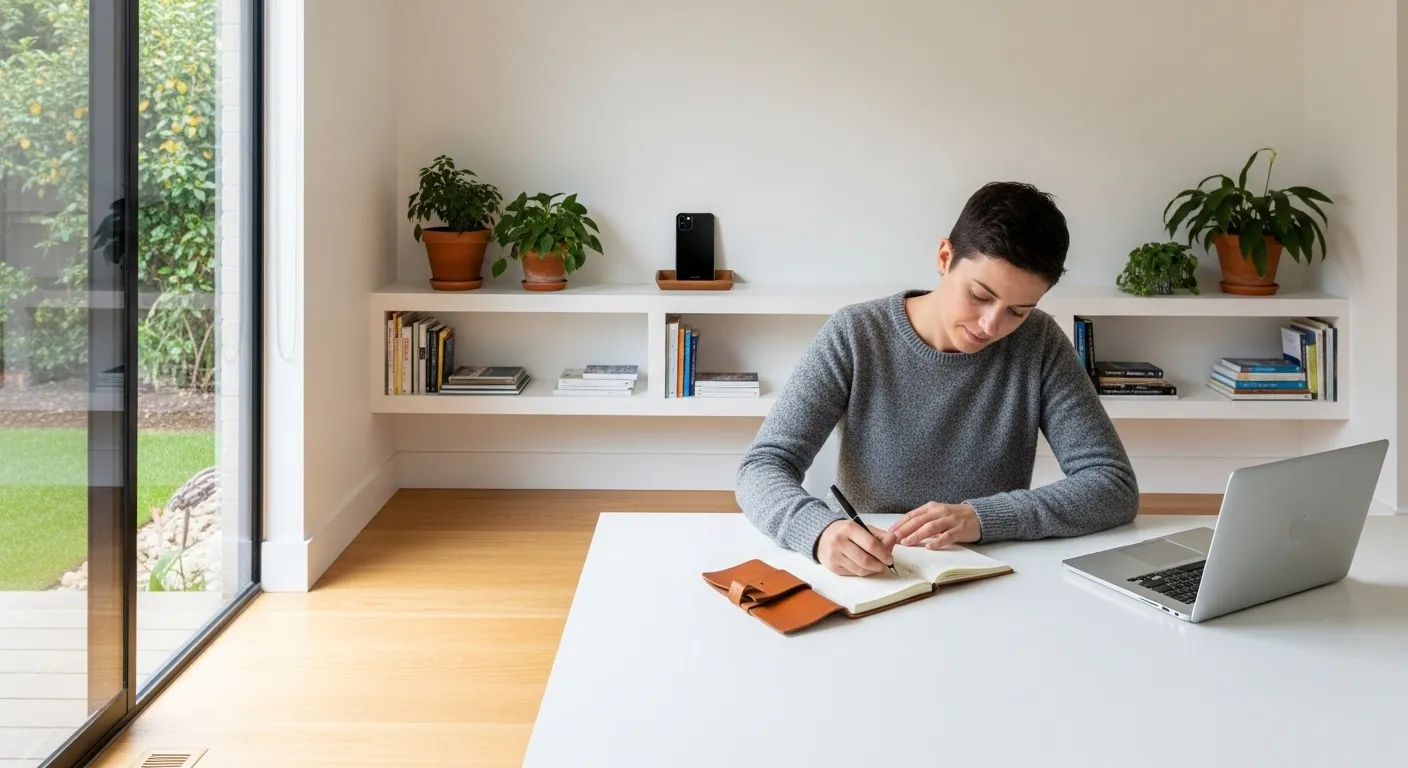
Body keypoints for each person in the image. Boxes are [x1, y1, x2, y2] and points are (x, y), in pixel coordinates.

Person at [735, 181, 1139, 577]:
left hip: (985, 572)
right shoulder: (855, 334)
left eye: (1017, 311)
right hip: (866, 572)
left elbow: (1112, 485)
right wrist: (818, 532)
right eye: (980, 295)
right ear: (945, 257)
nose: (990, 325)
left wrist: (983, 517)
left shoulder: (1040, 343)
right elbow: (762, 467)